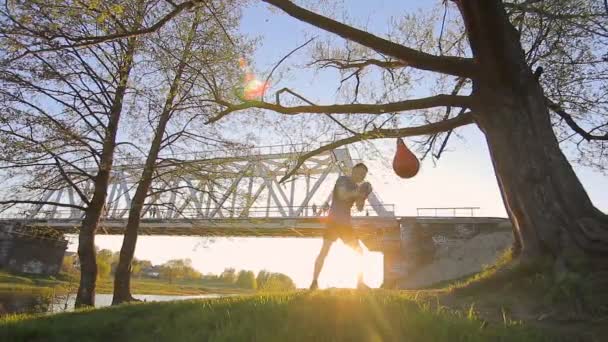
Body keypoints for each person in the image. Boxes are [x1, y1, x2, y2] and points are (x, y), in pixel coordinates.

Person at [309, 163, 373, 290]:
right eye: (359, 173)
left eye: (363, 175)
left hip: (345, 225)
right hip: (333, 222)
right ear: (353, 170)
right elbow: (343, 195)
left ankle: (360, 283)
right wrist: (359, 191)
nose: (361, 176)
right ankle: (314, 282)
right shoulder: (342, 180)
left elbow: (359, 208)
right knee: (324, 251)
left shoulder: (356, 187)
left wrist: (364, 196)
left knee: (359, 252)